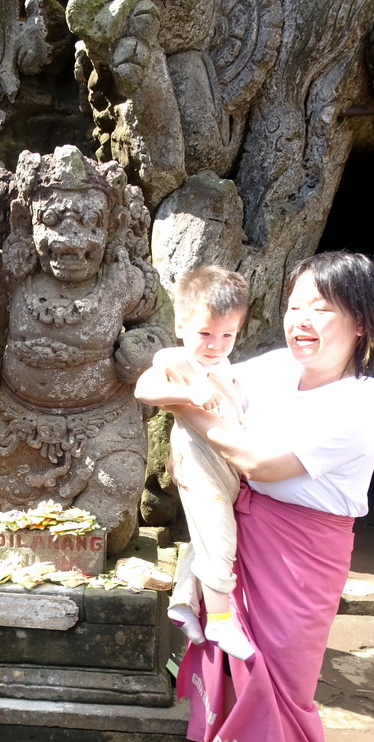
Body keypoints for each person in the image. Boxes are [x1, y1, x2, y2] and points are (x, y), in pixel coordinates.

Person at [156, 251, 374, 742]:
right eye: (295, 305)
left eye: (323, 308)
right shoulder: (272, 371)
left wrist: (191, 415)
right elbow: (187, 368)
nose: (303, 321)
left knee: (286, 697)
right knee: (226, 681)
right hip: (236, 542)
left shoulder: (361, 402)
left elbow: (261, 462)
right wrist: (170, 383)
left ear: (361, 324)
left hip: (302, 556)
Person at [134, 265, 254, 661]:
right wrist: (190, 395)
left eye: (227, 335)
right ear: (182, 324)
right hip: (201, 465)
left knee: (204, 536)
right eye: (205, 333)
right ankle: (220, 619)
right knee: (220, 538)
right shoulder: (177, 359)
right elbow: (144, 388)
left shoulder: (224, 366)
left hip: (229, 467)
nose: (215, 344)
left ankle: (184, 601)